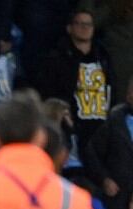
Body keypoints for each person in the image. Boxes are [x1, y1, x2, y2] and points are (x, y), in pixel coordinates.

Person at [36, 9, 114, 161]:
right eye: (79, 23)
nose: (84, 28)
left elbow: (112, 88)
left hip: (100, 127)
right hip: (72, 129)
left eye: (88, 24)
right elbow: (48, 91)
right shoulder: (57, 57)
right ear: (69, 28)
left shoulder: (103, 56)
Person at [84, 76, 133, 209]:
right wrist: (104, 179)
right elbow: (92, 152)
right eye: (130, 90)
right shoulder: (116, 119)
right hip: (116, 201)